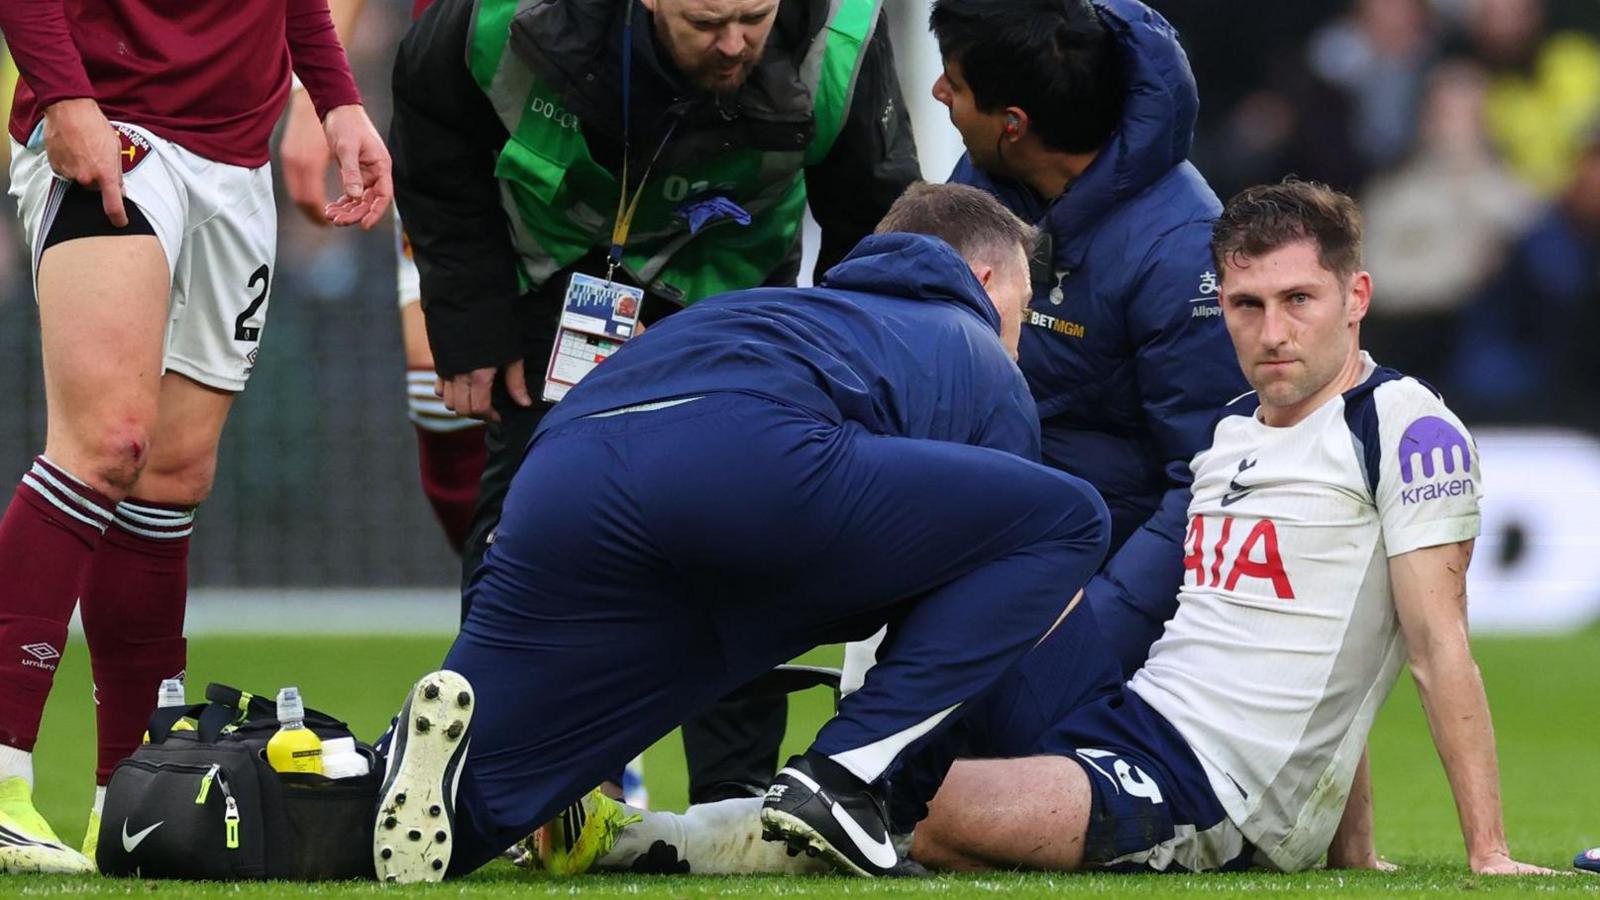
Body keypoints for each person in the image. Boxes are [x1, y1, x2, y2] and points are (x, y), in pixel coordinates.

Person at [580, 180, 1559, 878]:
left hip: (1211, 787)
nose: (1271, 332)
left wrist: (1487, 853)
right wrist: (1352, 848)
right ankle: (637, 807)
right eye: (1246, 304)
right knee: (940, 614)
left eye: (1298, 301)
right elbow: (1314, 637)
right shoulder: (1230, 429)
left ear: (1356, 298)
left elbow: (1430, 647)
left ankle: (650, 840)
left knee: (920, 806)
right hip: (1130, 714)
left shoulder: (1405, 429)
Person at [369, 183, 1112, 883]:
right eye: (1021, 312)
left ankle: (334, 781)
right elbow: (975, 592)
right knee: (1069, 519)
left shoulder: (774, 310)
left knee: (457, 816)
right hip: (749, 466)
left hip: (562, 471)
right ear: (983, 280)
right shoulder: (974, 351)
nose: (1020, 343)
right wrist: (899, 800)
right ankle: (846, 781)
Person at [391, 0, 920, 808]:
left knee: (748, 526)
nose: (735, 43)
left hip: (736, 286)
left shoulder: (841, 32)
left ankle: (733, 796)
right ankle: (527, 790)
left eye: (753, 16)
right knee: (530, 525)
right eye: (706, 23)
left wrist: (847, 375)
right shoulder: (502, 17)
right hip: (563, 281)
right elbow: (432, 131)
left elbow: (871, 220)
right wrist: (469, 319)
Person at [0, 0, 390, 874]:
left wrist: (335, 99)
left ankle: (131, 805)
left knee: (171, 476)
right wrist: (64, 96)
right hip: (116, 119)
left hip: (237, 156)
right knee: (106, 442)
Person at [925, 0, 1250, 673]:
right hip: (974, 567)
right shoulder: (982, 184)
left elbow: (1207, 479)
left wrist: (1089, 635)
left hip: (1089, 607)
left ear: (1014, 124)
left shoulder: (1180, 251)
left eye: (953, 84)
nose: (937, 94)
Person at [279, 0, 488, 556]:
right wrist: (314, 96)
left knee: (581, 377)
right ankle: (498, 586)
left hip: (588, 105)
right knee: (445, 388)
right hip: (452, 101)